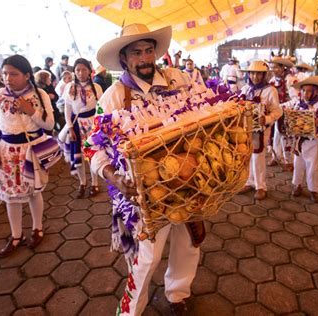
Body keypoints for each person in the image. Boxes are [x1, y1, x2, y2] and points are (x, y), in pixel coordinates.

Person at [87, 23, 201, 315]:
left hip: (189, 181)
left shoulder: (178, 82)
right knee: (146, 258)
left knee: (189, 243)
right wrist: (113, 176)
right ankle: (130, 313)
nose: (145, 58)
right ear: (124, 59)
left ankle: (177, 294)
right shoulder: (113, 96)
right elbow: (92, 146)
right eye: (136, 52)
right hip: (144, 194)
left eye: (149, 50)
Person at [0, 54, 56, 257]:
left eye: (13, 74)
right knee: (11, 197)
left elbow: (49, 125)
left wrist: (30, 110)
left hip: (31, 151)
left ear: (26, 75)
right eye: (5, 73)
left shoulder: (39, 94)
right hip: (6, 152)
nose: (8, 78)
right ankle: (16, 236)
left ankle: (37, 228)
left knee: (34, 192)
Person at [238, 61, 282, 200]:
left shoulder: (271, 90)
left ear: (264, 75)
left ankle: (261, 186)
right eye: (252, 73)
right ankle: (249, 182)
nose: (255, 76)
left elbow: (278, 111)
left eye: (258, 73)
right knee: (246, 155)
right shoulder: (245, 89)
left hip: (261, 130)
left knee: (258, 156)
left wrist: (267, 119)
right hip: (245, 129)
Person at [60, 58, 103, 198]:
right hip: (76, 124)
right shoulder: (70, 88)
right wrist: (71, 128)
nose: (81, 72)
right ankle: (82, 183)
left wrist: (98, 126)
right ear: (74, 71)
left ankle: (95, 183)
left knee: (92, 155)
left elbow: (100, 108)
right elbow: (67, 109)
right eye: (77, 69)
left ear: (90, 70)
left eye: (84, 69)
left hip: (92, 124)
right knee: (78, 155)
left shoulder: (96, 87)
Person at [290, 76, 318, 202]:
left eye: (309, 91)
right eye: (303, 90)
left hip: (315, 141)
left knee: (313, 165)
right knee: (298, 163)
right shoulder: (298, 103)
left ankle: (314, 190)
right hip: (300, 139)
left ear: (316, 91)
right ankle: (297, 185)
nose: (306, 93)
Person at [268, 57, 296, 170]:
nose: (273, 69)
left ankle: (288, 160)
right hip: (275, 113)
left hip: (287, 112)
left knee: (286, 136)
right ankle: (276, 156)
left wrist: (282, 107)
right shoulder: (272, 81)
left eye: (275, 67)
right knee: (274, 134)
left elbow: (296, 99)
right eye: (271, 67)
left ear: (282, 67)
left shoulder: (291, 80)